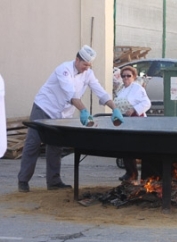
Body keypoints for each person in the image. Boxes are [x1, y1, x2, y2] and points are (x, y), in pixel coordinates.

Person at [18, 45, 124, 192]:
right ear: (77, 60)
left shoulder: (88, 74)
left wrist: (115, 108)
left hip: (62, 114)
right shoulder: (64, 69)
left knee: (55, 146)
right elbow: (71, 93)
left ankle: (54, 182)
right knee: (33, 143)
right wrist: (84, 111)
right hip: (44, 107)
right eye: (84, 64)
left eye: (89, 65)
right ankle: (23, 181)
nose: (86, 68)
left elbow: (100, 91)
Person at [114, 66, 151, 182]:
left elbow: (146, 103)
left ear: (134, 77)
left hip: (137, 122)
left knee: (138, 149)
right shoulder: (121, 89)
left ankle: (145, 176)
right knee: (125, 148)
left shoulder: (137, 88)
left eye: (128, 76)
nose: (126, 78)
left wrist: (134, 109)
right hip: (125, 122)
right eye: (123, 76)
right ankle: (130, 173)